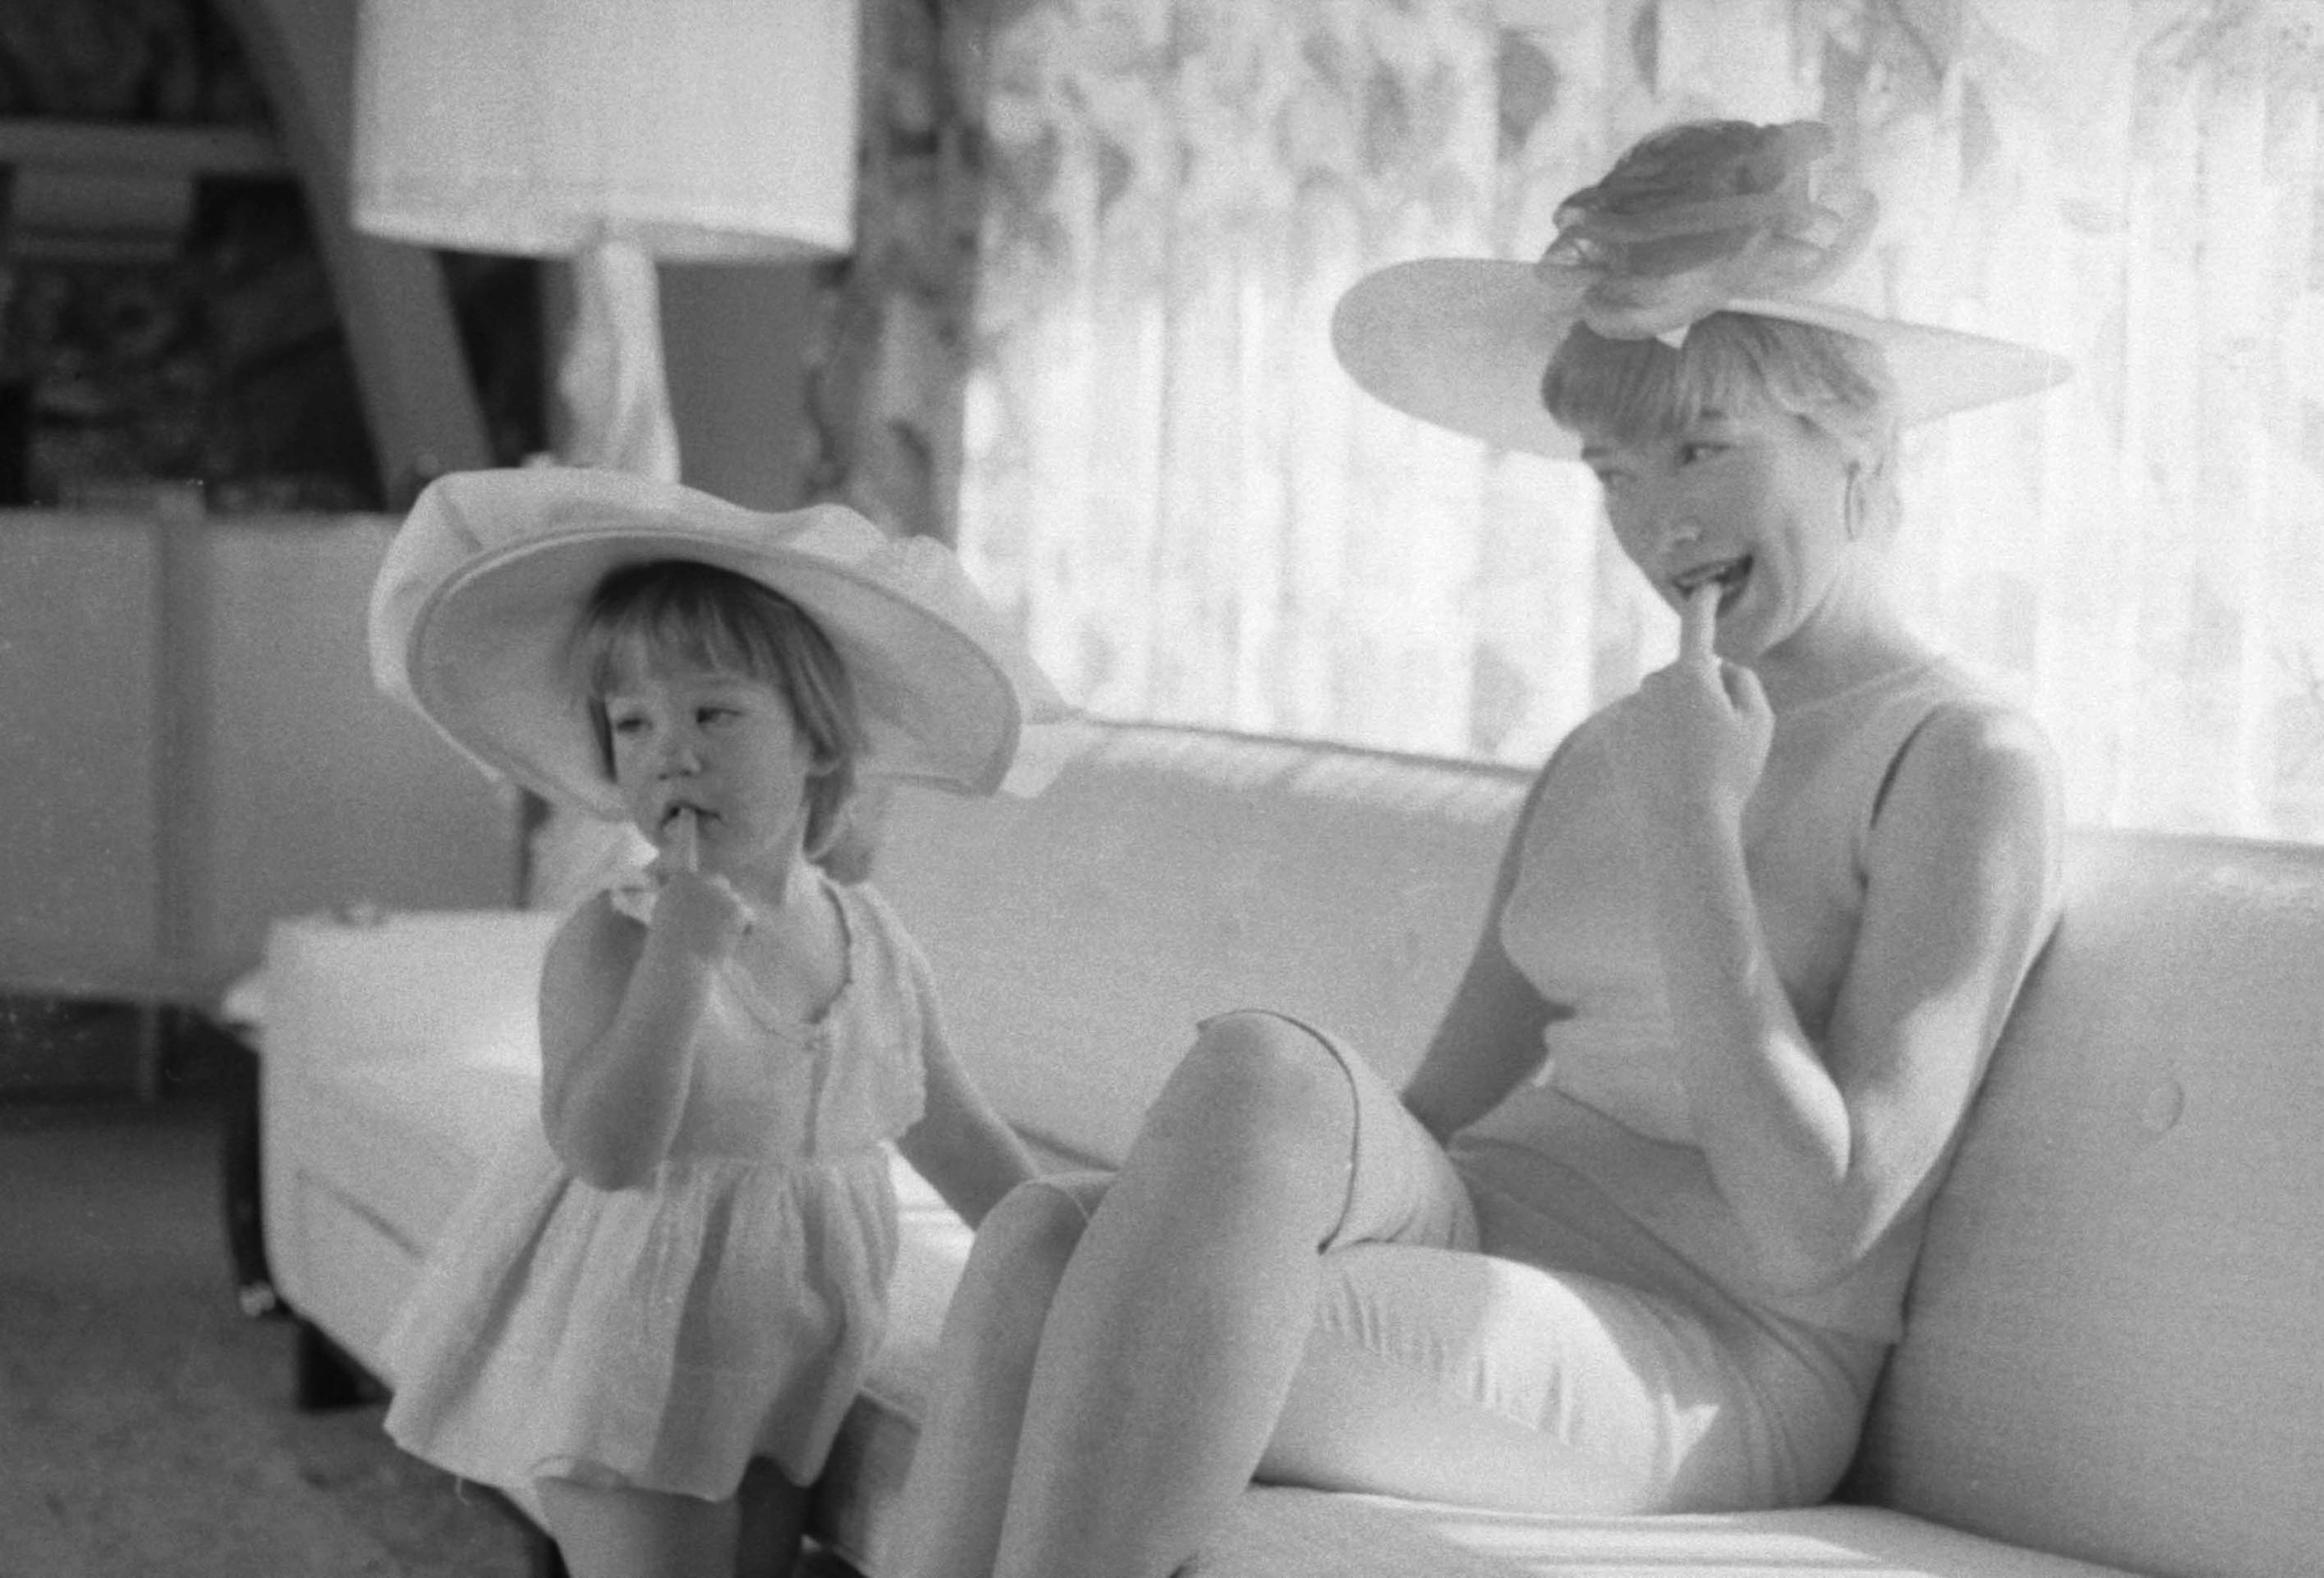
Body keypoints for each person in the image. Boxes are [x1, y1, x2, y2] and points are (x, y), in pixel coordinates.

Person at [885, 118, 2071, 1578]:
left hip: (1710, 1348)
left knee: (1109, 1282)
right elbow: (1441, 1103)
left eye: (1702, 446)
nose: (1661, 522)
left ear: (1858, 444)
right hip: (1491, 1226)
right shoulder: (1611, 745)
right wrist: (1218, 1220)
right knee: (1089, 1202)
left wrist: (1695, 829)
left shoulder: (1960, 759)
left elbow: (1820, 1223)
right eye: (1613, 471)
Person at [364, 467, 1078, 1578]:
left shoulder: (870, 934)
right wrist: (683, 958)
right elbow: (604, 1151)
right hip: (632, 1346)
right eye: (632, 723)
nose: (671, 751)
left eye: (716, 712)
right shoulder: (611, 939)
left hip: (790, 1345)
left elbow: (951, 1128)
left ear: (818, 741)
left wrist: (1076, 1263)